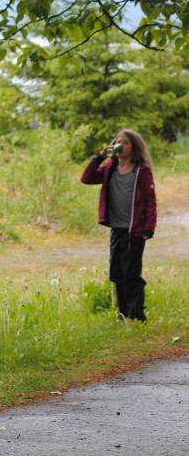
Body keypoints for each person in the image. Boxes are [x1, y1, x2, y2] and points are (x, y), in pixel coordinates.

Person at [80, 128, 157, 321]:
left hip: (135, 230)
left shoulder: (141, 170)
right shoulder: (109, 168)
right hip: (116, 228)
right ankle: (123, 314)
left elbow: (150, 200)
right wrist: (99, 157)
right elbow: (87, 178)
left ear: (134, 147)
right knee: (117, 273)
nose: (119, 145)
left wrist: (149, 227)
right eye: (117, 142)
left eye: (125, 142)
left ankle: (137, 315)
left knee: (132, 273)